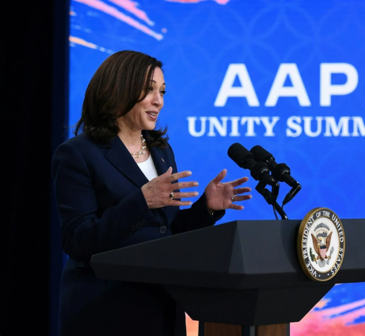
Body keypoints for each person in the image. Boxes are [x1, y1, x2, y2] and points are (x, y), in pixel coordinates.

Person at [51, 50, 252, 336]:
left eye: (162, 91)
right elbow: (78, 241)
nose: (158, 101)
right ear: (118, 88)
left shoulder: (160, 150)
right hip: (107, 312)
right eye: (148, 90)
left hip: (164, 307)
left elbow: (164, 232)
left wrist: (205, 208)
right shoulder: (77, 154)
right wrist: (141, 201)